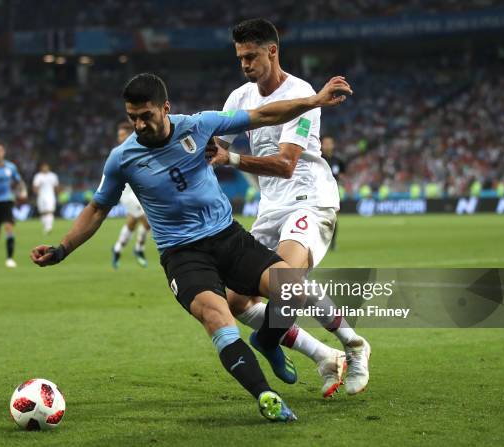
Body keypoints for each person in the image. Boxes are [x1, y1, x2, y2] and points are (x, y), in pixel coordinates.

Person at [31, 73, 352, 421]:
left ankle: (269, 341)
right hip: (183, 255)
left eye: (146, 116)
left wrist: (314, 101)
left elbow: (264, 115)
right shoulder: (121, 159)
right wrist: (62, 248)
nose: (139, 124)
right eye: (132, 117)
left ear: (165, 108)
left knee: (291, 290)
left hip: (228, 238)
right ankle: (266, 396)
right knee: (219, 318)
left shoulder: (198, 126)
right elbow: (97, 208)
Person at [209, 19, 370, 396]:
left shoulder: (302, 94)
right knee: (234, 300)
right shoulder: (240, 97)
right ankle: (324, 355)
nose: (245, 64)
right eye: (240, 58)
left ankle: (355, 345)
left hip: (309, 199)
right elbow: (211, 144)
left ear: (272, 51)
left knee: (285, 282)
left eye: (251, 56)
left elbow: (285, 165)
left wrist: (229, 158)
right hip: (271, 206)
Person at [111, 121, 151, 269]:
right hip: (127, 195)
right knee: (148, 222)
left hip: (137, 193)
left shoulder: (138, 149)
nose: (120, 138)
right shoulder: (118, 153)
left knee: (131, 223)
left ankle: (117, 249)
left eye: (122, 135)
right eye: (119, 135)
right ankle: (139, 249)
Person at [321, 136, 345, 251]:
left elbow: (342, 174)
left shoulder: (338, 161)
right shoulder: (318, 158)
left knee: (333, 218)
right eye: (325, 143)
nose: (327, 146)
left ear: (333, 145)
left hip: (333, 193)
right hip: (319, 192)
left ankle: (332, 243)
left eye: (329, 143)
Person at [32, 162, 60, 234]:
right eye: (43, 167)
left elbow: (56, 186)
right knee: (42, 212)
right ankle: (45, 226)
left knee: (49, 211)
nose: (45, 168)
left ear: (48, 167)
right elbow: (35, 186)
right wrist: (37, 194)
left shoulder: (53, 176)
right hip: (41, 196)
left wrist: (56, 194)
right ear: (41, 168)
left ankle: (49, 227)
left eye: (46, 167)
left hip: (50, 196)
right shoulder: (38, 176)